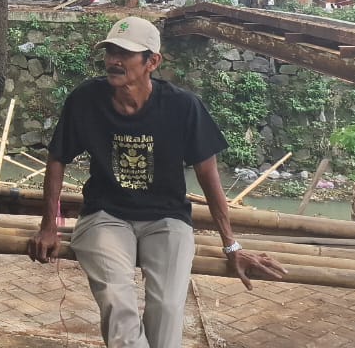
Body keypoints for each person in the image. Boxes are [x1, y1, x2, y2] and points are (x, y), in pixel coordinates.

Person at [28, 18, 285, 348]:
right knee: (117, 303)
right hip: (104, 216)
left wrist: (231, 246)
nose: (114, 61)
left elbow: (208, 176)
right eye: (110, 52)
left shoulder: (182, 106)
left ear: (152, 61)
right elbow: (57, 159)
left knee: (167, 307)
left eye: (125, 54)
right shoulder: (86, 99)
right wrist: (49, 225)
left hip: (167, 218)